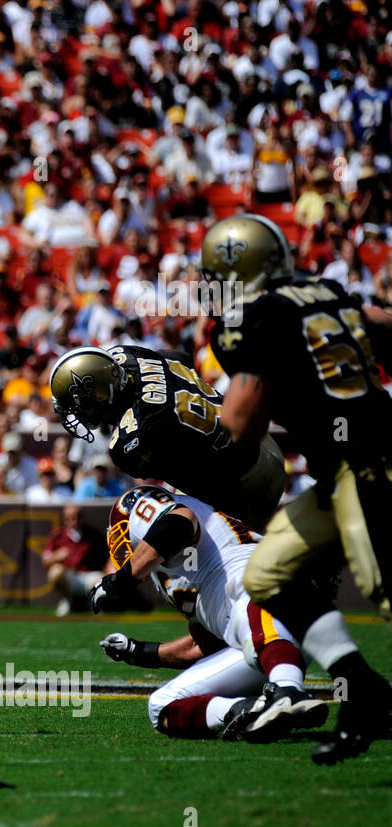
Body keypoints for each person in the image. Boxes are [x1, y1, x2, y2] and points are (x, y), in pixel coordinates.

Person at [203, 212, 392, 763]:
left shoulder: (252, 318)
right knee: (267, 572)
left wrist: (200, 445)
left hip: (369, 466)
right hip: (342, 472)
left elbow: (241, 428)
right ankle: (363, 688)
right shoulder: (324, 291)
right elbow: (382, 324)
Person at [93, 486, 328, 740]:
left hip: (268, 591)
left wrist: (120, 581)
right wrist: (137, 651)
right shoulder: (171, 575)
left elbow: (180, 522)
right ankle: (249, 711)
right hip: (263, 648)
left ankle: (288, 691)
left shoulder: (142, 506)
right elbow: (202, 645)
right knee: (161, 706)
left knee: (249, 599)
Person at [49, 342, 286, 532]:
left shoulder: (130, 440)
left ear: (98, 395)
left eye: (78, 405)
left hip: (250, 481)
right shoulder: (124, 355)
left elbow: (179, 473)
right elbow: (180, 357)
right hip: (260, 438)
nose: (77, 413)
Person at [42, 505, 108, 617]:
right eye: (70, 518)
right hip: (69, 576)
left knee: (104, 580)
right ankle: (66, 600)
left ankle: (93, 602)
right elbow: (45, 560)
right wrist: (57, 556)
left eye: (77, 517)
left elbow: (107, 556)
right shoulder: (57, 535)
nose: (74, 521)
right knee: (55, 572)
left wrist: (110, 567)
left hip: (88, 575)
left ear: (83, 517)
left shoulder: (93, 534)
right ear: (64, 519)